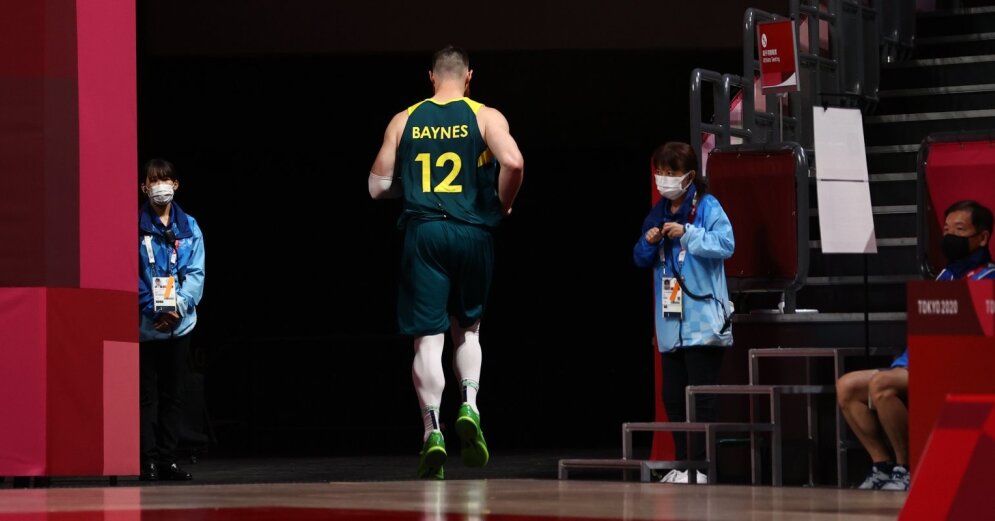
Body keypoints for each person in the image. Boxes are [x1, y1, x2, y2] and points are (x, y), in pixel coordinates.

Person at [368, 46, 524, 480]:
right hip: (473, 233)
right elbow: (513, 161)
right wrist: (504, 205)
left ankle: (432, 430)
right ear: (469, 76)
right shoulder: (485, 115)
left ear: (431, 78)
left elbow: (377, 188)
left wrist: (414, 186)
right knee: (468, 329)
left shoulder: (404, 118)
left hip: (425, 235)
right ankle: (470, 405)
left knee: (427, 340)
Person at [837, 199, 994, 491]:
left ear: (982, 237)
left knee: (882, 385)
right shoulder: (944, 277)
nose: (950, 236)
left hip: (959, 371)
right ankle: (882, 466)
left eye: (959, 230)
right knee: (848, 386)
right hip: (919, 363)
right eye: (946, 229)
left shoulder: (989, 280)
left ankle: (907, 468)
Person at [632, 142, 735, 484]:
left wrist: (688, 234)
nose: (664, 179)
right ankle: (682, 464)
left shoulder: (707, 206)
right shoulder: (658, 211)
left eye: (671, 173)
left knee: (701, 397)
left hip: (703, 321)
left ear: (689, 176)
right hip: (671, 322)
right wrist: (648, 241)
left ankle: (701, 467)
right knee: (673, 397)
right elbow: (640, 258)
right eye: (660, 172)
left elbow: (725, 244)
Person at [138, 158, 206, 481]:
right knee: (146, 396)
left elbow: (195, 274)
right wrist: (154, 308)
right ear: (144, 187)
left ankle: (168, 460)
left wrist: (175, 308)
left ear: (175, 185)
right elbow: (129, 274)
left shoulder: (189, 226)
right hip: (145, 327)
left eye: (165, 180)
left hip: (180, 326)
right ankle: (147, 461)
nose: (160, 186)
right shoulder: (134, 227)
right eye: (154, 180)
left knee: (173, 395)